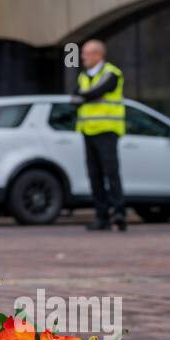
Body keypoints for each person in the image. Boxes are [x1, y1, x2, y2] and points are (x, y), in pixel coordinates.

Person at [71, 39, 126, 232]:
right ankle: (101, 216)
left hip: (107, 130)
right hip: (88, 130)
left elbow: (93, 93)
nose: (82, 57)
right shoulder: (83, 75)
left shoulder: (111, 73)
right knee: (94, 175)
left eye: (86, 53)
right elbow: (75, 97)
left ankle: (119, 214)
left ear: (98, 55)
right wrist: (83, 96)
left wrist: (83, 96)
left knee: (111, 173)